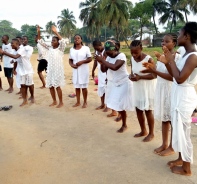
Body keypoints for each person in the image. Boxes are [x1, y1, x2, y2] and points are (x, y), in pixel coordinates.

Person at [159, 22, 197, 176]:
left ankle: (187, 169)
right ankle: (181, 159)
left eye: (180, 34)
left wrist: (171, 60)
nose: (178, 36)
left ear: (187, 36)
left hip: (184, 96)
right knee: (179, 131)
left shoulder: (193, 57)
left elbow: (181, 79)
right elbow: (174, 76)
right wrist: (167, 61)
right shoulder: (186, 54)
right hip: (178, 93)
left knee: (184, 133)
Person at [142, 33, 181, 155]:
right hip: (162, 89)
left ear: (174, 43)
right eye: (162, 41)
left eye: (167, 41)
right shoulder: (161, 57)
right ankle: (164, 143)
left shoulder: (177, 57)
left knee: (173, 120)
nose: (163, 44)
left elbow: (172, 77)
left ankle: (172, 146)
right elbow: (157, 74)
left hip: (171, 90)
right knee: (165, 119)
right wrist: (151, 68)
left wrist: (155, 71)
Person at [95, 40, 133, 133]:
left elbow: (115, 67)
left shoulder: (121, 56)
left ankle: (124, 125)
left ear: (115, 49)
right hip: (115, 83)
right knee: (116, 103)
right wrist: (101, 62)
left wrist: (103, 60)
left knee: (121, 104)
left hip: (124, 83)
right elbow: (104, 70)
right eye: (107, 52)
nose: (108, 54)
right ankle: (122, 118)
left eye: (110, 52)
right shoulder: (108, 58)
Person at [129, 40, 156, 142]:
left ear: (141, 49)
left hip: (147, 88)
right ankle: (143, 130)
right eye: (132, 52)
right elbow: (132, 71)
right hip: (137, 87)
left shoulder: (149, 59)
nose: (134, 55)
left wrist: (140, 77)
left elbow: (154, 75)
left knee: (148, 110)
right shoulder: (132, 59)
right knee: (138, 110)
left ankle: (151, 133)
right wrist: (131, 76)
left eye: (136, 52)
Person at [37, 25, 66, 108]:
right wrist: (39, 32)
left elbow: (63, 42)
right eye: (52, 41)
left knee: (57, 86)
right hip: (50, 70)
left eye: (54, 40)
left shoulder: (60, 49)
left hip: (58, 70)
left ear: (57, 42)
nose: (52, 42)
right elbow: (40, 41)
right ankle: (54, 101)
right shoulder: (49, 48)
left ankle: (61, 102)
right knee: (50, 86)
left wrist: (56, 32)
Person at [0, 38, 34, 106]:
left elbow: (16, 57)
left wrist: (4, 52)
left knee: (29, 85)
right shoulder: (15, 51)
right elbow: (16, 60)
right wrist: (14, 69)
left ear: (17, 44)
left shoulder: (22, 50)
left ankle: (32, 97)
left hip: (28, 70)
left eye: (12, 43)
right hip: (21, 71)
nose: (11, 44)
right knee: (22, 85)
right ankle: (25, 100)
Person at [69, 34, 92, 108]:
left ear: (81, 39)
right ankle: (78, 102)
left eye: (78, 38)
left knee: (84, 87)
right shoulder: (71, 49)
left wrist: (82, 62)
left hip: (83, 70)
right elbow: (70, 60)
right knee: (77, 87)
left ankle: (85, 102)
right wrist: (72, 65)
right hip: (75, 70)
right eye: (75, 38)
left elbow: (90, 59)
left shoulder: (86, 48)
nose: (76, 39)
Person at [92, 40, 107, 110]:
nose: (96, 49)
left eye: (97, 48)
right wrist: (93, 70)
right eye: (95, 48)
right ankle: (102, 104)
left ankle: (108, 106)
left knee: (107, 89)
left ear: (101, 45)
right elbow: (95, 61)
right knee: (101, 88)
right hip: (100, 72)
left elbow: (106, 61)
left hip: (106, 72)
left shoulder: (106, 51)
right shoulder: (97, 51)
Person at [22, 36, 34, 102]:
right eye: (22, 39)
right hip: (22, 69)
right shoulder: (20, 48)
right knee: (23, 84)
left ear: (27, 40)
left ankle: (32, 96)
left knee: (30, 84)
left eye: (24, 39)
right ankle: (25, 97)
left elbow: (27, 56)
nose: (23, 40)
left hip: (28, 68)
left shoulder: (30, 48)